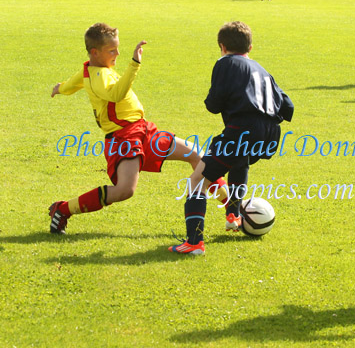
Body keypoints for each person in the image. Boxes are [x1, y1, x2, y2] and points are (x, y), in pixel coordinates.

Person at [49, 23, 229, 235]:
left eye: (117, 48)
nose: (117, 53)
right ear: (95, 52)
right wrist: (134, 64)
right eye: (112, 50)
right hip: (124, 138)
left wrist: (59, 88)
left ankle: (233, 209)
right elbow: (115, 94)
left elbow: (72, 83)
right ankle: (62, 209)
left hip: (142, 130)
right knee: (125, 190)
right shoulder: (99, 77)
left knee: (196, 154)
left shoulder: (89, 70)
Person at [169, 21, 294, 255]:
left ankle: (195, 243)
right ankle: (234, 217)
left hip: (243, 128)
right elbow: (288, 106)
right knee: (240, 161)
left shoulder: (225, 62)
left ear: (222, 46)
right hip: (270, 132)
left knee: (198, 180)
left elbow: (214, 104)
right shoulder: (262, 69)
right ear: (251, 47)